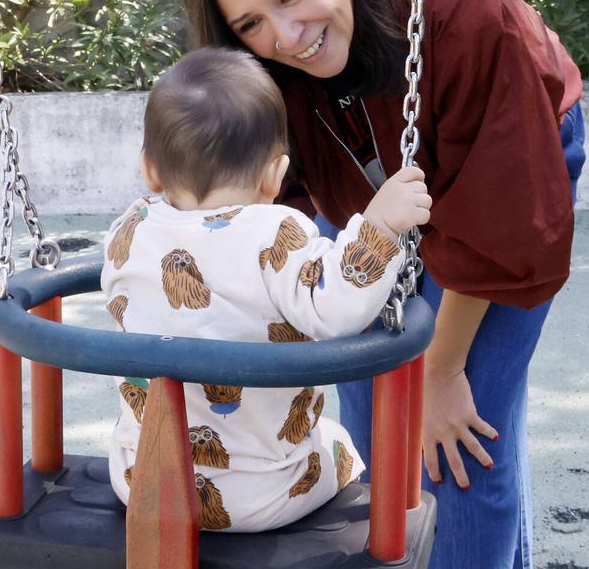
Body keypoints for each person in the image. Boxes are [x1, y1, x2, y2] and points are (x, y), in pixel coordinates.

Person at [182, 0, 586, 569]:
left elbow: (497, 217)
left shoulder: (456, 0)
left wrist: (442, 370)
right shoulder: (271, 66)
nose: (286, 33)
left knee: (454, 442)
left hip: (505, 163)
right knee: (372, 434)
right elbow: (270, 205)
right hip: (375, 188)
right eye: (252, 23)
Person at [101, 47, 432, 533]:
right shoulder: (276, 232)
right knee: (337, 443)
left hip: (142, 480)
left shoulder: (127, 231)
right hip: (261, 495)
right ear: (276, 175)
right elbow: (336, 306)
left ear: (150, 169)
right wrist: (380, 225)